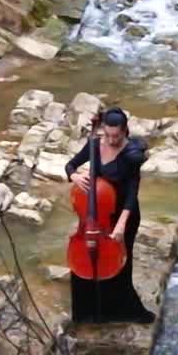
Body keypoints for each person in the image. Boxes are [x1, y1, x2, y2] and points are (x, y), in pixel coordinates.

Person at [64, 106, 155, 325]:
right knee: (83, 260)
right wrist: (74, 176)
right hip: (94, 215)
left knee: (120, 265)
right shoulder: (95, 145)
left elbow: (132, 193)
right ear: (102, 130)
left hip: (123, 214)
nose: (112, 140)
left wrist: (121, 226)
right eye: (108, 135)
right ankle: (86, 312)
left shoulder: (131, 155)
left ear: (125, 132)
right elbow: (71, 164)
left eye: (117, 136)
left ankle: (122, 310)